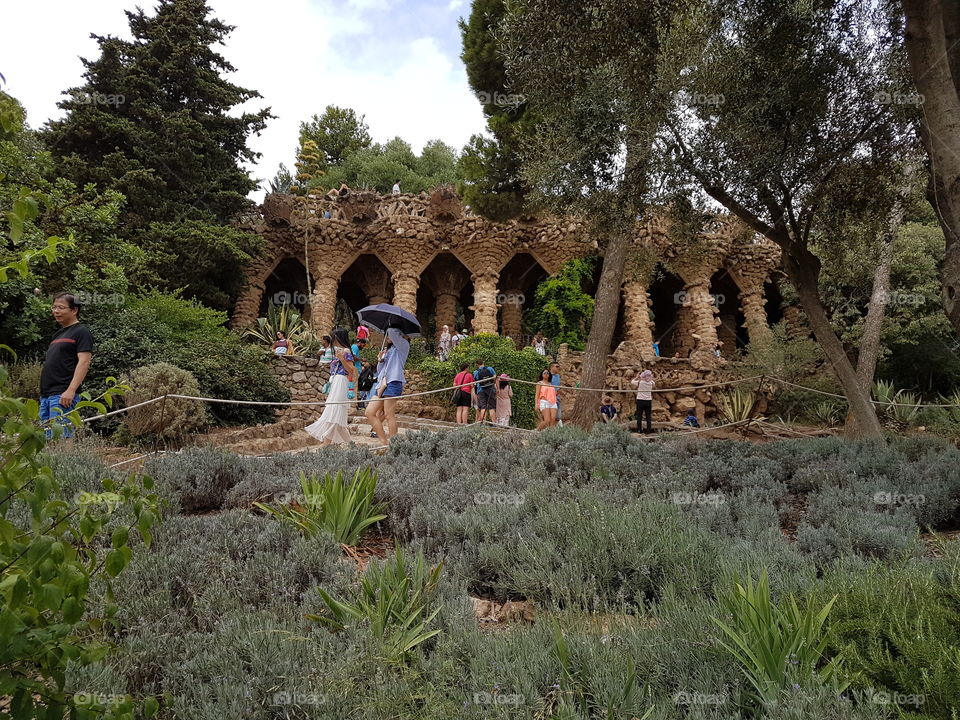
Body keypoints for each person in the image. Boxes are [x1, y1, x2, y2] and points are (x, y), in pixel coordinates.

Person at [40, 292, 93, 441]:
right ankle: (53, 465)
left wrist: (71, 390)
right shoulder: (57, 335)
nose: (56, 311)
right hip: (46, 395)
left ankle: (66, 464)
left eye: (61, 307)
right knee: (47, 439)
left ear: (74, 310)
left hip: (63, 394)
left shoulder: (81, 332)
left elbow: (84, 362)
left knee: (63, 437)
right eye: (54, 307)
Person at [305, 328, 357, 445]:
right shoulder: (336, 351)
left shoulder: (346, 350)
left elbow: (351, 370)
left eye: (333, 337)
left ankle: (325, 446)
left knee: (333, 412)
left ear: (337, 338)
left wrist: (342, 359)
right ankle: (352, 446)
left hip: (341, 380)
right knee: (336, 416)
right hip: (335, 381)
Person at [365, 328, 410, 446]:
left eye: (391, 334)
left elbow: (394, 335)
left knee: (389, 415)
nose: (389, 336)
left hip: (394, 382)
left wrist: (390, 326)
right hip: (382, 384)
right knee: (369, 412)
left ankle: (393, 444)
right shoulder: (387, 350)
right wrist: (380, 360)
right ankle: (383, 440)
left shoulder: (403, 346)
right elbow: (380, 371)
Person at [473, 359, 497, 424]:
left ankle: (483, 422)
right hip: (490, 389)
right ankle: (494, 423)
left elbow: (474, 382)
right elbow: (495, 376)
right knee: (491, 407)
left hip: (480, 390)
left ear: (477, 365)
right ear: (483, 363)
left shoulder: (475, 372)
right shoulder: (490, 368)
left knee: (483, 407)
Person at [631, 369, 655, 434]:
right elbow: (653, 383)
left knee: (639, 416)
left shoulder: (640, 382)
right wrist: (650, 378)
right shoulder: (651, 383)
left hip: (640, 400)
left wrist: (637, 376)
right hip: (648, 401)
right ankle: (649, 430)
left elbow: (632, 382)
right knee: (648, 417)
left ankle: (639, 430)